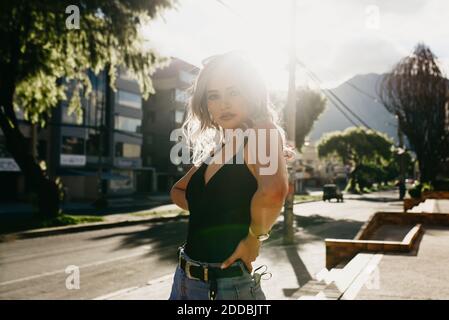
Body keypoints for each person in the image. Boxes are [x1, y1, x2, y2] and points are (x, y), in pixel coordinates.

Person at [168, 51, 291, 300]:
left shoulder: (262, 132)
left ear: (252, 93)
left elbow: (274, 192)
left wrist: (254, 239)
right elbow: (178, 192)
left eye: (233, 92)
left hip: (226, 287)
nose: (224, 103)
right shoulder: (218, 149)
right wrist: (215, 209)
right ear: (206, 104)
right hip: (183, 280)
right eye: (214, 96)